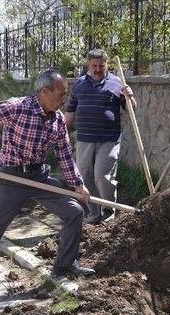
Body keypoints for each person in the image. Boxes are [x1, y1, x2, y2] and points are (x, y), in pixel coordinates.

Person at [0, 68, 95, 304]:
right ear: (44, 92)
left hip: (38, 176)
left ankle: (64, 266)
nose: (64, 99)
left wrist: (78, 186)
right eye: (61, 94)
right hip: (11, 178)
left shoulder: (57, 121)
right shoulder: (17, 107)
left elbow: (66, 156)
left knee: (74, 212)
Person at [65, 49, 136, 224]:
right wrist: (62, 131)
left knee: (102, 175)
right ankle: (94, 212)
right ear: (89, 65)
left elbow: (131, 109)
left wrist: (130, 96)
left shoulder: (117, 83)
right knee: (85, 175)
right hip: (84, 138)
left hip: (108, 139)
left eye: (101, 66)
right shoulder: (80, 84)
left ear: (107, 65)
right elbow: (70, 112)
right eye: (94, 66)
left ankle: (108, 210)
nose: (97, 69)